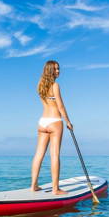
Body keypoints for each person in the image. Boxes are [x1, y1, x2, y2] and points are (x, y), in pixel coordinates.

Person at [31, 60, 73, 195]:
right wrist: (68, 121)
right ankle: (55, 189)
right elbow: (60, 106)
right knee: (54, 155)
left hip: (42, 122)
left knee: (38, 154)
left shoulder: (40, 85)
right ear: (50, 70)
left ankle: (34, 185)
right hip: (54, 121)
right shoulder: (55, 85)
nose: (58, 71)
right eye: (55, 69)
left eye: (59, 69)